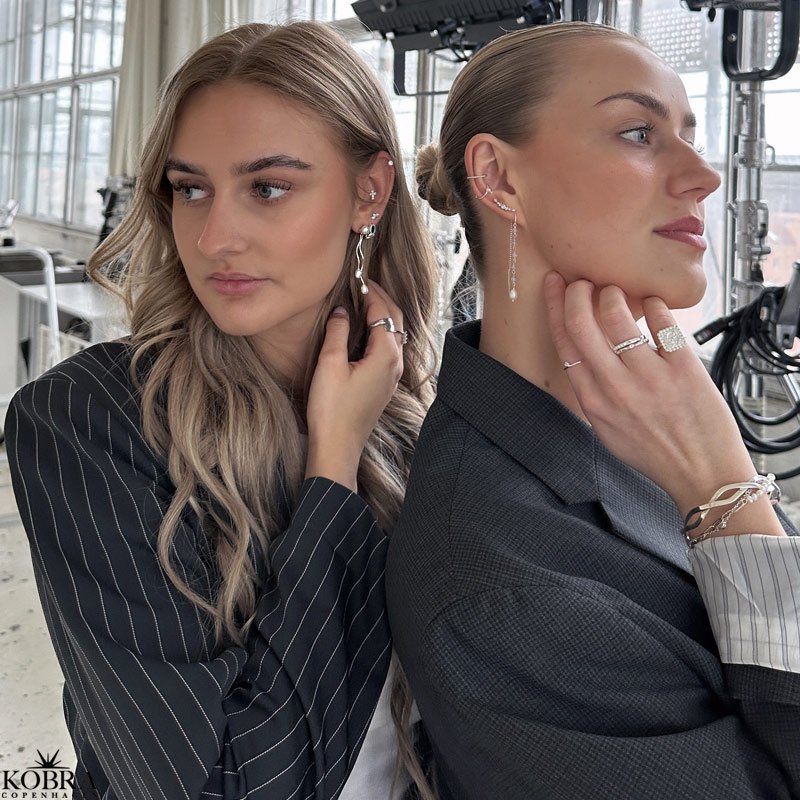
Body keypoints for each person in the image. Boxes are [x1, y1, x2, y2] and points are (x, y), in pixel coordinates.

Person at [5, 21, 439, 800]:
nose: (213, 236)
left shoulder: (418, 418)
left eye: (267, 188)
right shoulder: (86, 423)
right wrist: (331, 468)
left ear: (367, 192)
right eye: (190, 188)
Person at [387, 21, 800, 800]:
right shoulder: (500, 585)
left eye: (689, 134)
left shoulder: (633, 431)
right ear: (500, 180)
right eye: (640, 132)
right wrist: (727, 489)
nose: (703, 175)